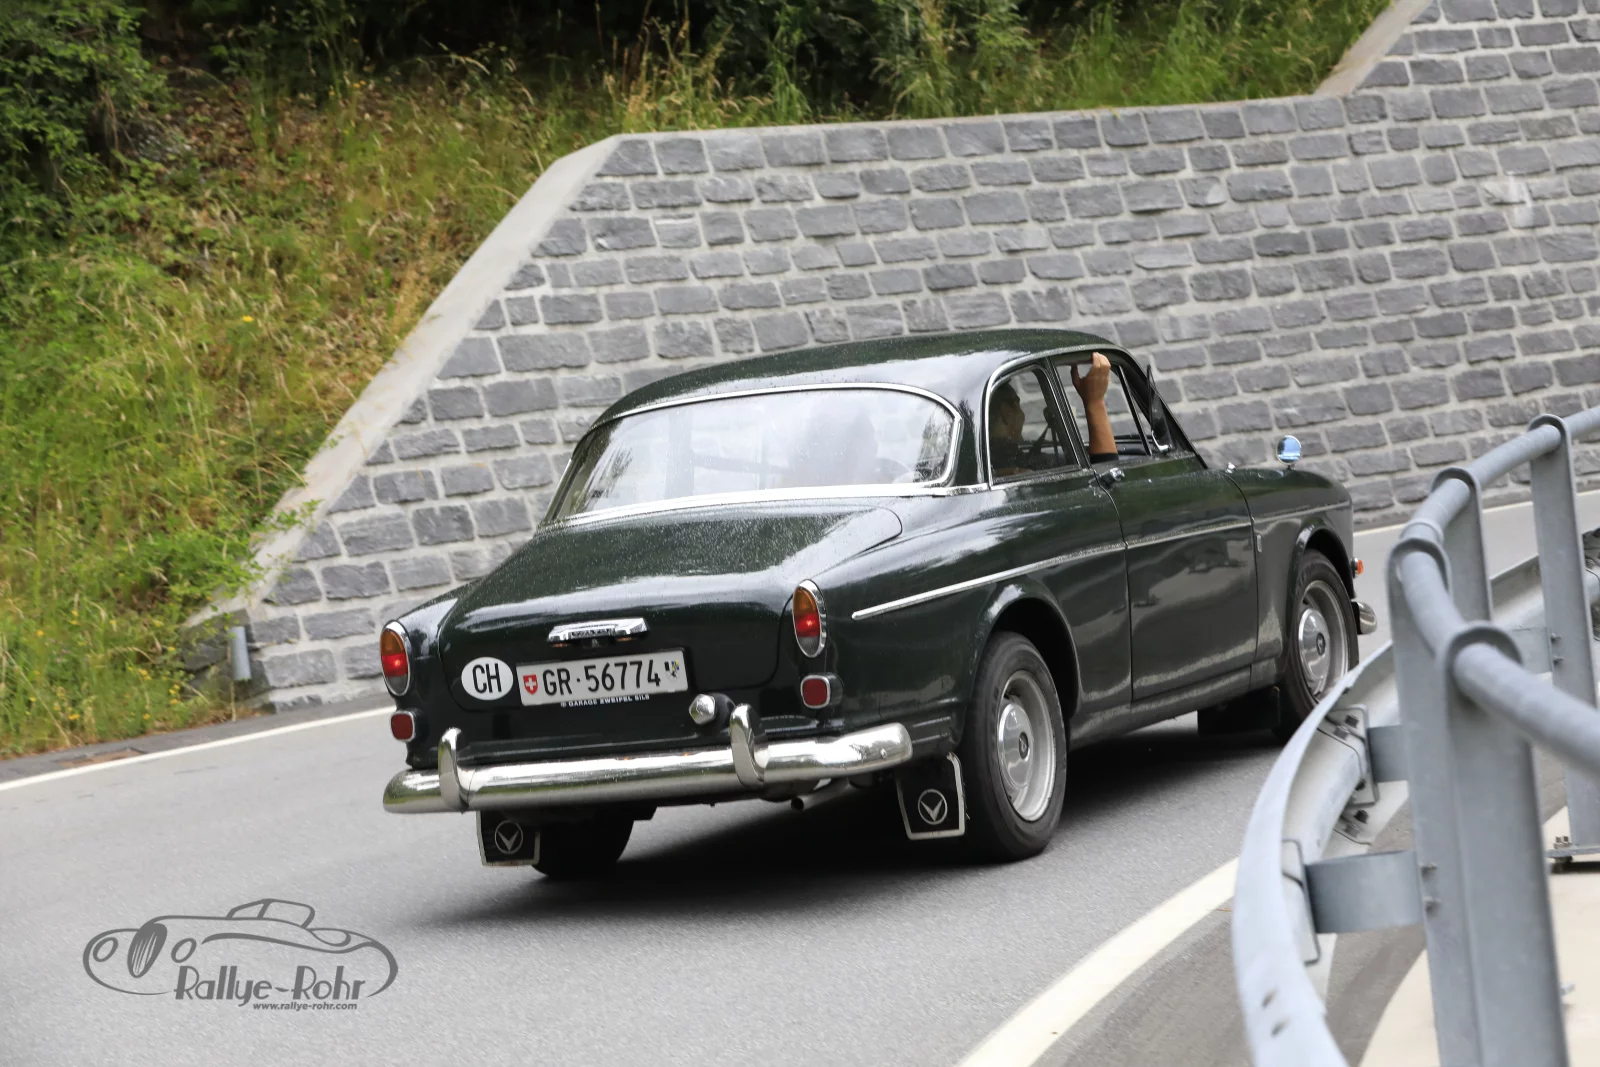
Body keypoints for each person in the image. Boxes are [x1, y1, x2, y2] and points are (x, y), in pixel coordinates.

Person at [988, 352, 1118, 477]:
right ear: (1006, 412)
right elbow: (1106, 473)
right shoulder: (1021, 467)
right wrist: (1094, 402)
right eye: (1018, 404)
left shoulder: (991, 463)